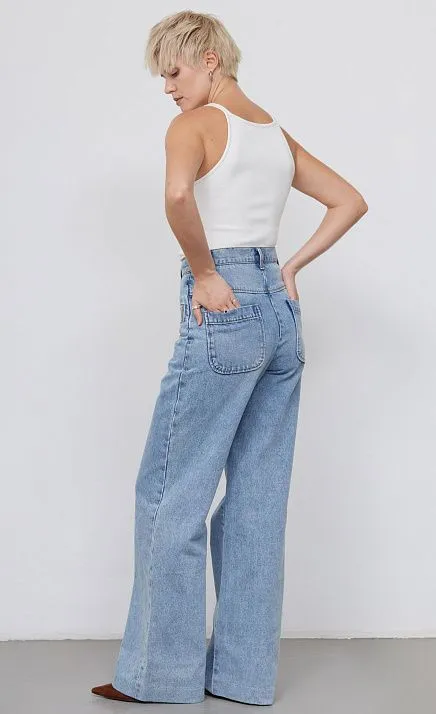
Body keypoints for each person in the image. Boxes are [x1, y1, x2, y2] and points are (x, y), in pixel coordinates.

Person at [91, 9, 368, 707]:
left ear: (210, 58)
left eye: (173, 71)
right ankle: (242, 679)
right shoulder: (274, 134)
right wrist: (289, 268)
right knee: (256, 502)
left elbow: (177, 194)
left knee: (170, 491)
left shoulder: (194, 126)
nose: (167, 88)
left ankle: (161, 678)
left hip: (226, 307)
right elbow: (349, 201)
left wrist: (206, 272)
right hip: (278, 312)